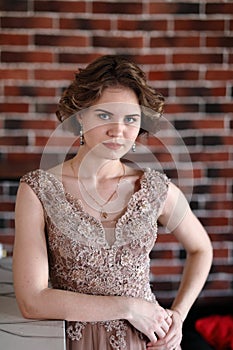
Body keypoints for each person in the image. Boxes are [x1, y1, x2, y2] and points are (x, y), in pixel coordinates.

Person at [13, 55, 213, 350]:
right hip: (73, 341)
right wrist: (130, 307)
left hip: (149, 340)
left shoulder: (154, 188)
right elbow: (33, 301)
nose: (118, 131)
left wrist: (179, 316)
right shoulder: (38, 190)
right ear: (80, 116)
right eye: (105, 115)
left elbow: (201, 248)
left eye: (130, 119)